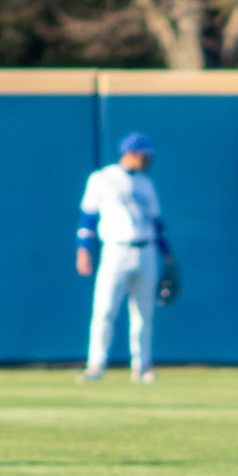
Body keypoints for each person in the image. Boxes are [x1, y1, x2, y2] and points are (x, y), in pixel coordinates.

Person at [76, 131, 177, 383]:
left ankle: (142, 367)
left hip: (147, 250)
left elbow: (157, 223)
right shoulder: (102, 178)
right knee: (104, 310)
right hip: (115, 249)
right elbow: (88, 217)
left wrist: (168, 256)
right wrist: (83, 249)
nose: (148, 159)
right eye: (144, 154)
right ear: (131, 153)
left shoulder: (146, 183)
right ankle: (95, 365)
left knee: (144, 313)